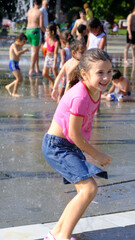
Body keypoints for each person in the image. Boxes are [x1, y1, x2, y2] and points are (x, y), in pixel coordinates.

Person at [42, 48, 112, 240]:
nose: (106, 77)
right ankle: (62, 236)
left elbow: (79, 131)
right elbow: (73, 133)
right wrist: (96, 154)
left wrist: (84, 149)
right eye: (100, 73)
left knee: (85, 190)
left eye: (109, 71)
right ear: (84, 74)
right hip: (57, 146)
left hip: (69, 146)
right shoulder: (80, 96)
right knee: (89, 189)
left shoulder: (95, 92)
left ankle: (56, 233)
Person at [5, 33, 29, 97]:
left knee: (20, 79)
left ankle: (9, 86)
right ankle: (14, 92)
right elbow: (17, 53)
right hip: (12, 63)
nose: (24, 43)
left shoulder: (19, 46)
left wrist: (23, 51)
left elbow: (19, 54)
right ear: (18, 40)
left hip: (16, 63)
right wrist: (24, 50)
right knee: (18, 78)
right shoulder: (14, 45)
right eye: (23, 42)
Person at [26, 0, 46, 76]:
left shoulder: (29, 11)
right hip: (35, 31)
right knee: (34, 51)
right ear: (41, 4)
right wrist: (46, 32)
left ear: (34, 3)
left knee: (36, 50)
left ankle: (37, 69)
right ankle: (31, 70)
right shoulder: (40, 12)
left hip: (28, 30)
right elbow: (41, 25)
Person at [42, 22, 60, 88]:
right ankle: (52, 80)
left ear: (52, 32)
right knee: (44, 73)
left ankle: (58, 86)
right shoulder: (47, 39)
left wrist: (54, 64)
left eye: (47, 31)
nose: (46, 33)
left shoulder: (56, 42)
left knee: (55, 73)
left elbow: (55, 54)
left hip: (54, 58)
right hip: (48, 57)